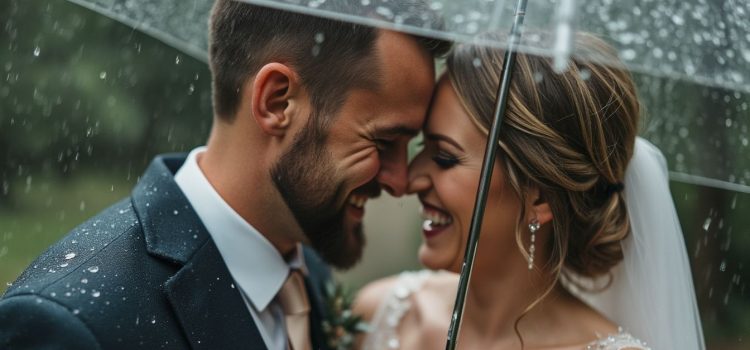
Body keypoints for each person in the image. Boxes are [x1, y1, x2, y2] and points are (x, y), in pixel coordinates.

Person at [0, 1, 450, 349]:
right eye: (384, 142)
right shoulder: (71, 322)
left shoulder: (307, 270)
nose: (399, 180)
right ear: (277, 102)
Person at [356, 32, 705, 349]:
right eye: (422, 147)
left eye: (445, 157)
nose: (410, 179)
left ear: (538, 197)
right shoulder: (378, 314)